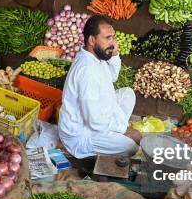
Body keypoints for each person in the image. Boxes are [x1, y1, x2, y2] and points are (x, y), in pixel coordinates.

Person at [59, 15, 141, 159]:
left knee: (127, 94)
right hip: (82, 136)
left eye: (113, 37)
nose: (113, 43)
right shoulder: (87, 71)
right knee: (131, 146)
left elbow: (112, 77)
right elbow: (94, 121)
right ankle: (115, 133)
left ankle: (115, 131)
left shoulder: (95, 55)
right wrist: (123, 129)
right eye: (108, 38)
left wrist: (114, 55)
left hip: (95, 116)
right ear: (92, 40)